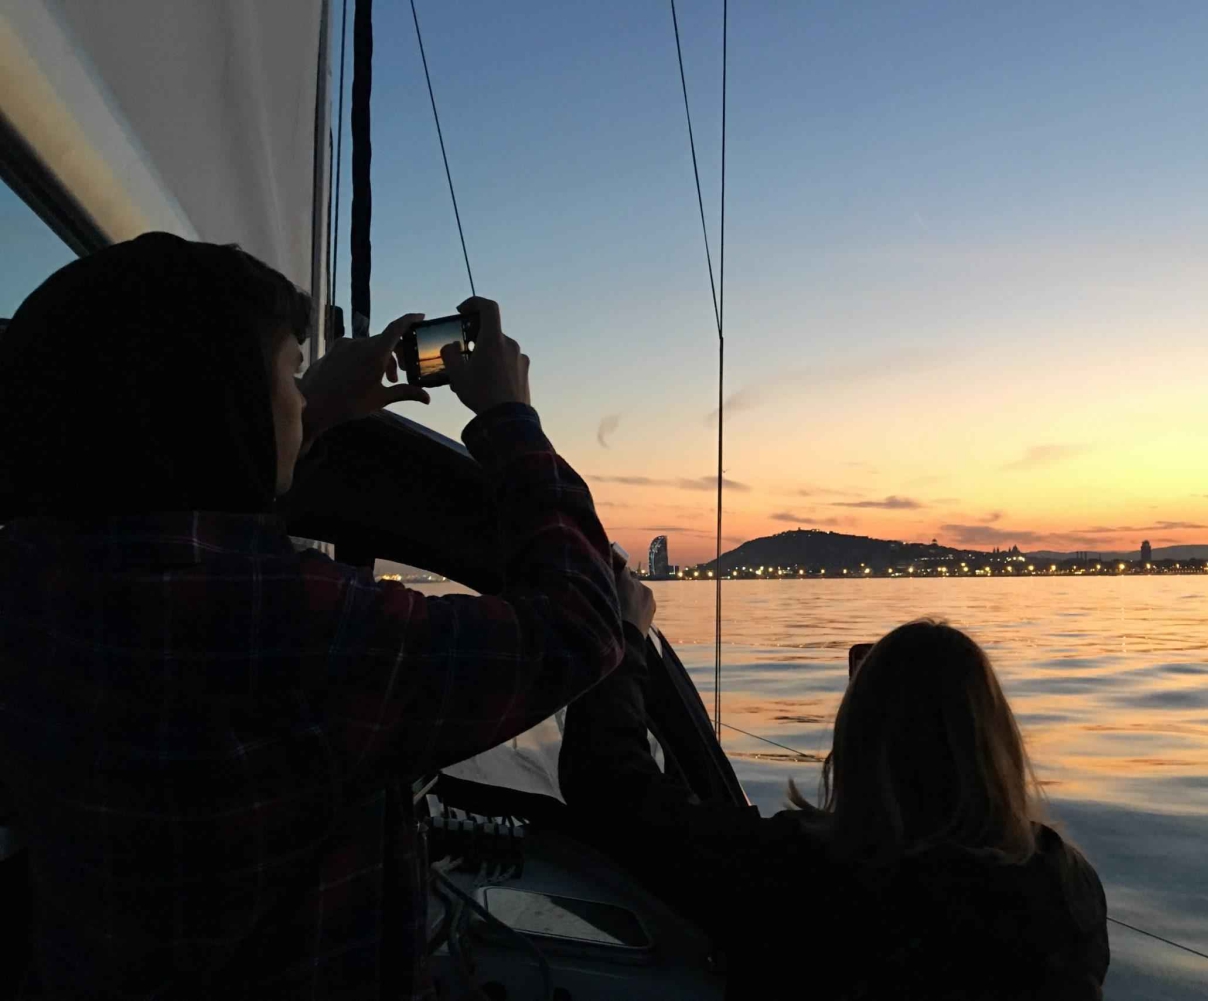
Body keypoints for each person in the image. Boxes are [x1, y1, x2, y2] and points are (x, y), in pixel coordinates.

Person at [0, 232, 623, 998]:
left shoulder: (33, 581)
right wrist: (507, 417)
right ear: (223, 403)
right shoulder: (292, 624)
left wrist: (315, 407)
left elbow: (186, 512)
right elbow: (573, 628)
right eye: (289, 374)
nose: (301, 394)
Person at [560, 606, 1109, 1000]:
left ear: (855, 741)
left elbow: (611, 788)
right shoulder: (1066, 887)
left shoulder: (801, 873)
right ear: (998, 742)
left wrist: (624, 629)